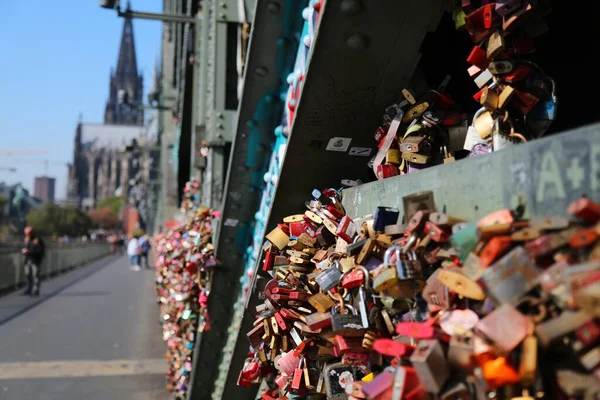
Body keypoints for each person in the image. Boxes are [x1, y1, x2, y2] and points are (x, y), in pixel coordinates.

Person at [21, 226, 45, 296]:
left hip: (35, 260)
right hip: (27, 260)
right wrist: (23, 251)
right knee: (28, 274)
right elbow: (23, 248)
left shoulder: (37, 240)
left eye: (29, 233)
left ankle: (36, 290)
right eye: (26, 233)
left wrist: (30, 252)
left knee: (36, 275)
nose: (28, 234)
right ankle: (29, 289)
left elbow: (40, 250)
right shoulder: (26, 239)